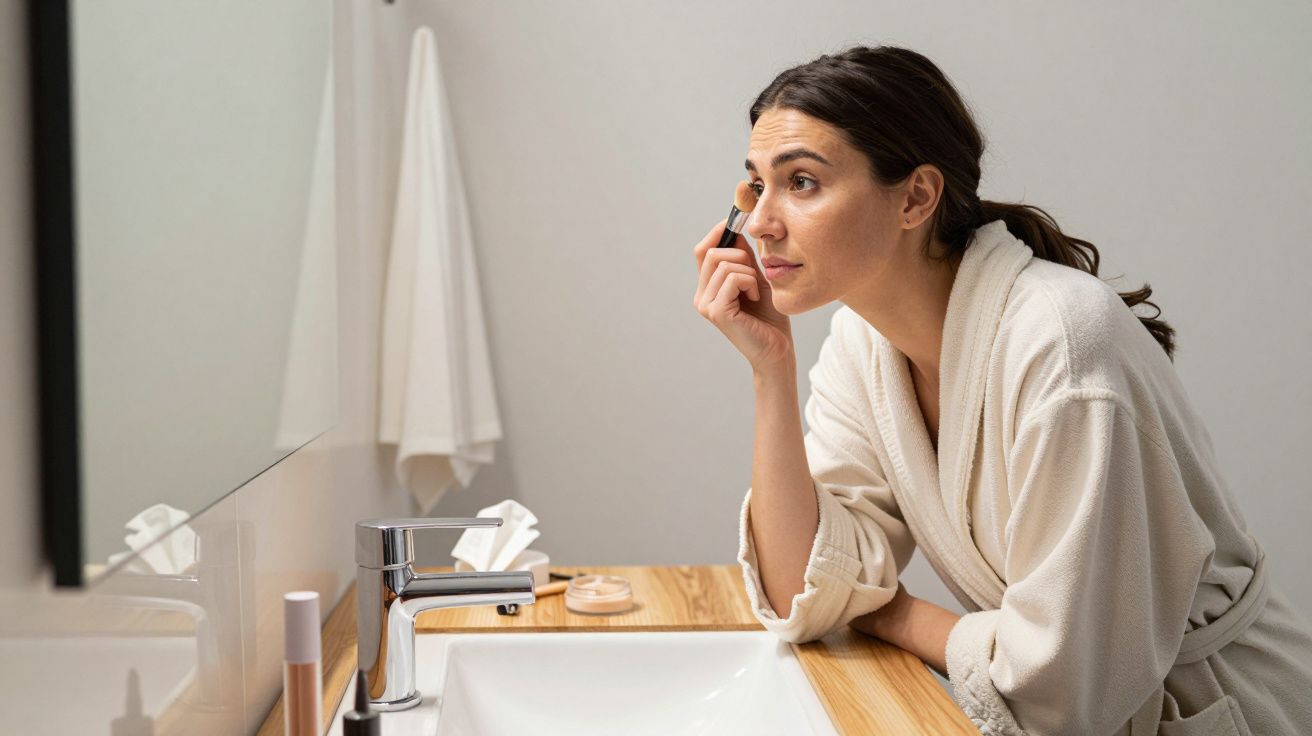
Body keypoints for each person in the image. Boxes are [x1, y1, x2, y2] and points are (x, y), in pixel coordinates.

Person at [691, 45, 1312, 735]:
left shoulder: (1064, 347)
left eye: (801, 182)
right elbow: (803, 586)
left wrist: (888, 609)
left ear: (917, 197)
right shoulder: (862, 345)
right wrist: (769, 370)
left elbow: (1062, 689)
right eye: (756, 186)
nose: (762, 221)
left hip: (1232, 711)